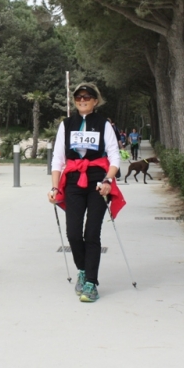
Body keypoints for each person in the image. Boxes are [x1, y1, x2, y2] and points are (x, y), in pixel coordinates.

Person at [48, 83, 123, 303]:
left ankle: (91, 282)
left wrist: (108, 180)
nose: (83, 100)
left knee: (91, 233)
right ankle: (82, 269)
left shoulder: (104, 124)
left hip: (98, 181)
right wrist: (54, 187)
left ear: (95, 101)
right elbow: (58, 159)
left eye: (87, 96)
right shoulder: (67, 124)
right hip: (73, 180)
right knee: (73, 233)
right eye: (79, 97)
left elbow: (114, 156)